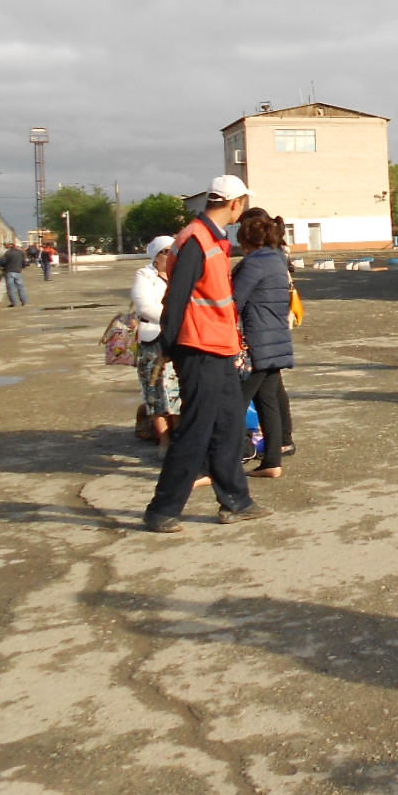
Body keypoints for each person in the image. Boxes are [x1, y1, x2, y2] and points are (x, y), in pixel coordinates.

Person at [142, 174, 273, 533]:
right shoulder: (197, 240)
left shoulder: (209, 238)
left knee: (228, 427)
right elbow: (176, 298)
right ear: (235, 204)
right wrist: (169, 347)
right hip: (199, 349)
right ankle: (162, 510)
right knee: (196, 431)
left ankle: (236, 501)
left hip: (217, 347)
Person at [233, 208, 295, 478]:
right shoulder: (277, 259)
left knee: (235, 402)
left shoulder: (254, 264)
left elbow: (234, 301)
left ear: (246, 241)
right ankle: (272, 460)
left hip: (257, 342)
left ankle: (230, 457)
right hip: (275, 339)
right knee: (267, 400)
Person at [132, 235, 179, 447]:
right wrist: (174, 318)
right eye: (166, 252)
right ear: (156, 256)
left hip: (178, 338)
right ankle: (165, 441)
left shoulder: (180, 274)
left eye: (174, 251)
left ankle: (179, 436)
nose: (171, 255)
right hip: (153, 339)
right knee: (155, 391)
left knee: (177, 389)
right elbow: (145, 306)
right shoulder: (145, 275)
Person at [0, 240, 28, 306]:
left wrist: (1, 263)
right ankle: (24, 301)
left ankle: (14, 303)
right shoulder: (20, 252)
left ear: (9, 245)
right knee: (21, 287)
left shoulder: (7, 253)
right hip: (18, 271)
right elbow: (24, 262)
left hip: (9, 272)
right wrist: (21, 267)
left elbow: (3, 263)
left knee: (11, 288)